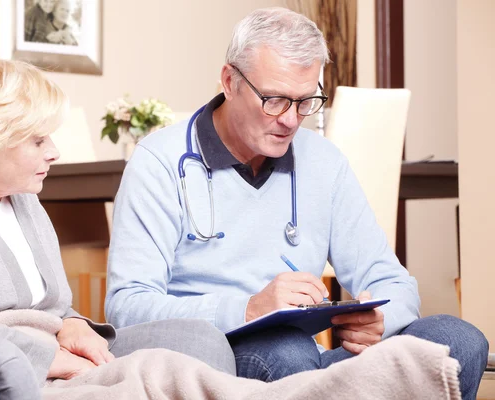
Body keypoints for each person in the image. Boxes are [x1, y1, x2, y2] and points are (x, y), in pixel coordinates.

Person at [105, 7, 488, 400]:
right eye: (274, 100)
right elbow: (127, 307)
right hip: (222, 360)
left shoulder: (325, 162)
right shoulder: (159, 161)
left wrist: (380, 319)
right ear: (229, 81)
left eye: (306, 101)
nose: (291, 120)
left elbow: (389, 278)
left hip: (308, 360)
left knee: (456, 342)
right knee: (286, 351)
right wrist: (249, 309)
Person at [0, 55, 236, 386]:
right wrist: (53, 360)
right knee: (161, 379)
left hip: (53, 351)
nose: (54, 152)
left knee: (198, 344)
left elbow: (53, 306)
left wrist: (72, 323)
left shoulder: (22, 197)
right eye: (38, 139)